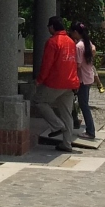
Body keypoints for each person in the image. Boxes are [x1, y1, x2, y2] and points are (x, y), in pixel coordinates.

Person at [33, 16, 79, 151]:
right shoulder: (71, 41)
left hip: (56, 81)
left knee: (39, 101)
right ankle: (67, 144)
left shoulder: (52, 42)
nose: (48, 29)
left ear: (52, 27)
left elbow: (47, 64)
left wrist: (39, 80)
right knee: (67, 113)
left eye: (49, 26)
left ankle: (57, 125)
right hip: (71, 82)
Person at [72, 21, 103, 140]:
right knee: (82, 103)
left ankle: (90, 131)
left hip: (82, 79)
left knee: (84, 105)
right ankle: (77, 122)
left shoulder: (79, 46)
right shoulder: (87, 43)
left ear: (76, 32)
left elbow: (78, 65)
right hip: (89, 76)